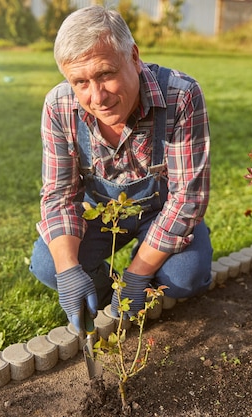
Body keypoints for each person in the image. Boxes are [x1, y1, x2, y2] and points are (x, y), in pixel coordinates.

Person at [29, 5, 212, 333]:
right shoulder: (59, 107)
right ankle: (105, 289)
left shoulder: (181, 96)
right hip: (101, 216)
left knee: (186, 275)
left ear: (134, 57)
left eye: (105, 74)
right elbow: (59, 196)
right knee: (48, 264)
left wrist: (139, 271)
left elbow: (188, 198)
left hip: (162, 211)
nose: (96, 96)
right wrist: (69, 269)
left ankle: (143, 278)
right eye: (80, 82)